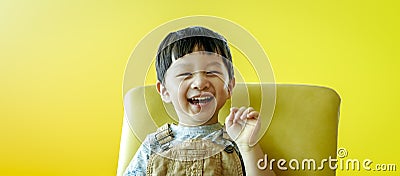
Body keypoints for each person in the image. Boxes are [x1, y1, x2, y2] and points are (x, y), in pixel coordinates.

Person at [124, 26, 275, 176]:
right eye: (185, 73)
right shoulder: (154, 145)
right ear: (164, 90)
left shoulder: (238, 141)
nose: (200, 83)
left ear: (229, 86)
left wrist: (248, 146)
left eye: (212, 72)